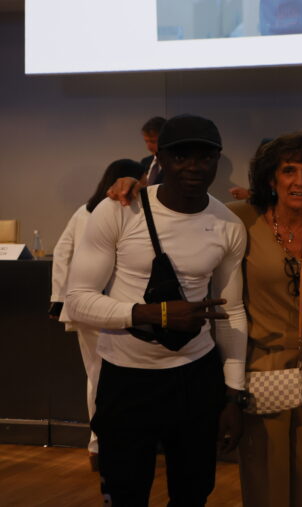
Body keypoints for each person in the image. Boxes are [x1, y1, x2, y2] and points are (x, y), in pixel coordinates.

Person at [66, 114, 248, 505]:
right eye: (182, 156)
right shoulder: (119, 210)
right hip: (127, 378)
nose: (194, 167)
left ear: (218, 159)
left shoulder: (228, 225)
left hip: (196, 379)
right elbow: (78, 298)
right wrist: (154, 315)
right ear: (160, 157)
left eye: (205, 157)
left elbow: (231, 313)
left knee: (194, 492)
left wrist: (233, 395)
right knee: (126, 491)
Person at [228, 133, 302, 507]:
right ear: (270, 179)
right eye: (288, 170)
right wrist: (131, 185)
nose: (299, 181)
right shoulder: (241, 218)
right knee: (265, 479)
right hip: (261, 366)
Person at [49, 158, 146, 475]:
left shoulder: (84, 211)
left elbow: (62, 252)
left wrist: (58, 299)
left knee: (95, 376)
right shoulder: (127, 211)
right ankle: (116, 444)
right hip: (116, 308)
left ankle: (97, 444)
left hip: (84, 308)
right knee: (119, 379)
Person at [139, 116, 166, 186]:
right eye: (146, 141)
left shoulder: (174, 165)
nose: (148, 147)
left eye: (153, 142)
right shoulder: (144, 162)